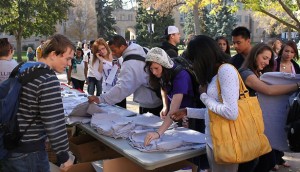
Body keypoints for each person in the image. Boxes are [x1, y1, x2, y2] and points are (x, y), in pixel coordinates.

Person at [150, 35, 239, 172]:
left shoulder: (226, 71)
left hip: (226, 142)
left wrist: (204, 96)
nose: (192, 66)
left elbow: (230, 113)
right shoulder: (213, 74)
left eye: (193, 61)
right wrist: (187, 111)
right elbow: (213, 112)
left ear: (203, 56)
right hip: (213, 141)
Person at [2, 34, 75, 171]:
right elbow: (54, 122)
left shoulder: (23, 67)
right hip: (29, 153)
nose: (69, 64)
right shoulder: (48, 79)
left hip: (10, 146)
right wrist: (64, 156)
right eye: (68, 59)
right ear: (53, 54)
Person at [238, 43, 300, 172]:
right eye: (264, 58)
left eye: (269, 59)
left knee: (267, 161)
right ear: (255, 55)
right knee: (254, 163)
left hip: (258, 127)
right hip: (247, 127)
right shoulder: (245, 73)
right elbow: (268, 90)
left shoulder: (259, 73)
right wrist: (297, 85)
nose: (267, 62)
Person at [88, 35, 162, 115]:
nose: (112, 53)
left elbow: (123, 88)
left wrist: (101, 99)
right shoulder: (141, 49)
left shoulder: (130, 64)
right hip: (157, 97)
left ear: (122, 47)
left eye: (114, 50)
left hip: (151, 103)